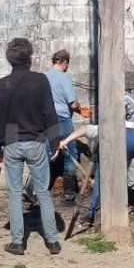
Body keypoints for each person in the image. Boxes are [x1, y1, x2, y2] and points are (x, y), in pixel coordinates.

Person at [0, 38, 61, 256]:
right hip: (37, 139)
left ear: (9, 59)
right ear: (30, 57)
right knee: (42, 192)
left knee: (14, 193)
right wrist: (55, 142)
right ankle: (52, 242)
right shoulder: (40, 80)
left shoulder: (4, 84)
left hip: (13, 137)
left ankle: (18, 243)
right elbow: (50, 113)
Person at [57, 118, 134, 228]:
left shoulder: (104, 128)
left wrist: (65, 141)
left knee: (100, 175)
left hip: (124, 138)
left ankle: (91, 214)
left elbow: (84, 129)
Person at [45, 50, 85, 205]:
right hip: (62, 120)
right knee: (70, 154)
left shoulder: (44, 77)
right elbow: (72, 103)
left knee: (47, 155)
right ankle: (68, 197)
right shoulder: (65, 77)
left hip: (47, 121)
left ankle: (34, 190)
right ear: (65, 62)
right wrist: (81, 108)